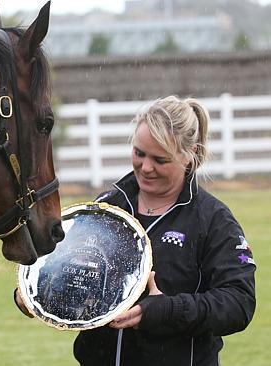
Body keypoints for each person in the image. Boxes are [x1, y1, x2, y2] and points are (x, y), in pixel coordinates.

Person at [15, 95, 256, 365]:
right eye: (139, 153)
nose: (146, 167)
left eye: (160, 159)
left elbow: (239, 303)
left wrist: (167, 310)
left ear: (191, 155)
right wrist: (35, 295)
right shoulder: (106, 207)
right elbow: (72, 277)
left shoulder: (213, 220)